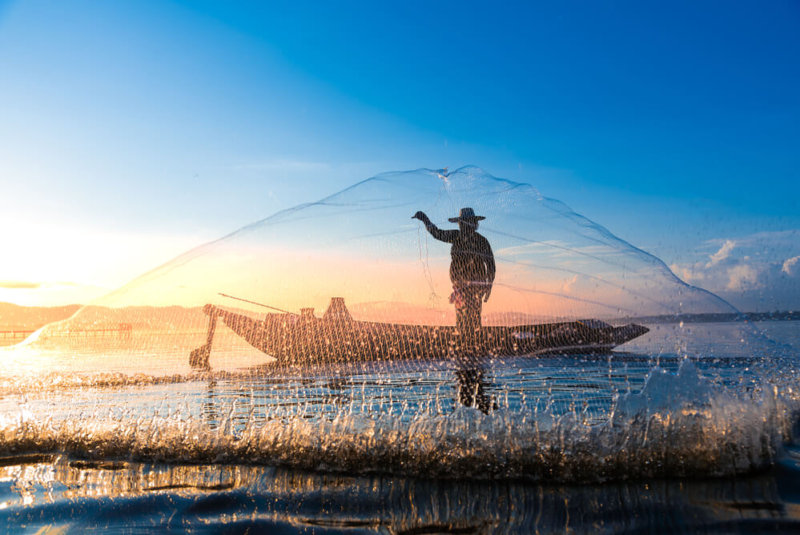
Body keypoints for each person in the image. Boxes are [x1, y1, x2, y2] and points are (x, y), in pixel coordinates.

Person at [412, 207, 495, 341]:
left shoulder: (478, 240)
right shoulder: (460, 237)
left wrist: (488, 285)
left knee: (468, 317)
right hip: (461, 287)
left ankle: (469, 347)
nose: (464, 226)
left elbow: (490, 264)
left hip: (471, 287)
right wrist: (425, 220)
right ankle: (469, 347)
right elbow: (436, 233)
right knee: (466, 317)